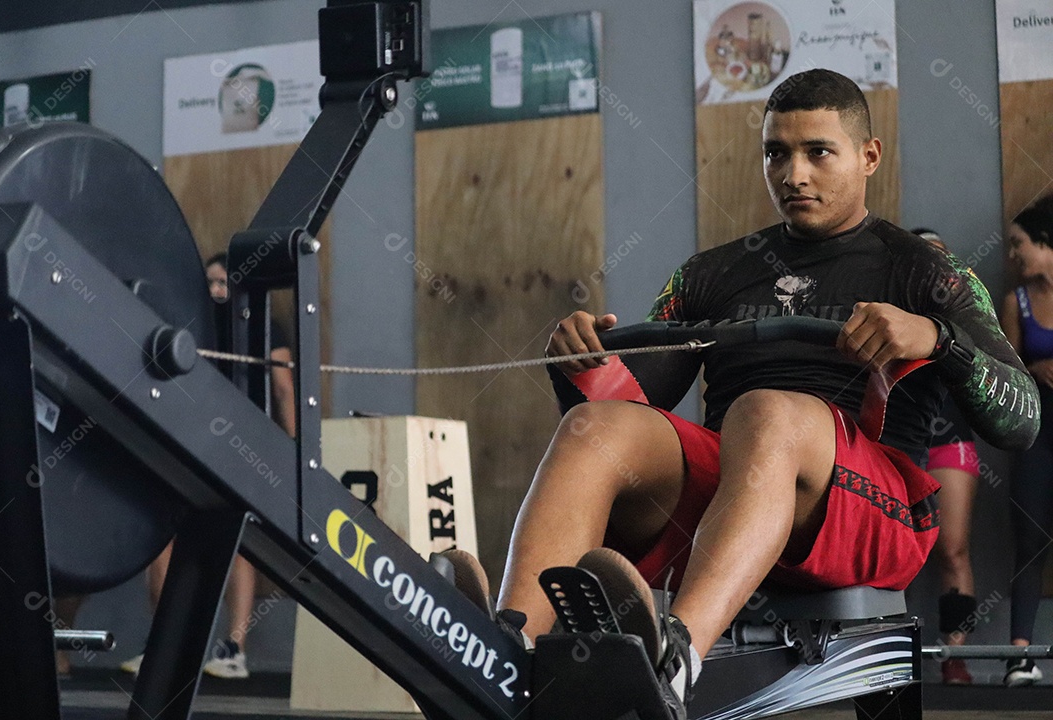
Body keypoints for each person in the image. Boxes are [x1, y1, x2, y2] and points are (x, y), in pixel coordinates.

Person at [441, 69, 1038, 716]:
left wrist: (939, 339)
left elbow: (1022, 420)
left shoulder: (927, 272)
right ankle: (505, 655)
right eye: (776, 153)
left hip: (872, 515)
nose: (794, 174)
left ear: (869, 156)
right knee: (595, 427)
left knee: (765, 410)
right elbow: (631, 409)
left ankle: (676, 662)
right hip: (737, 503)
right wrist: (581, 365)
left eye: (818, 152)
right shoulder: (710, 274)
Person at [120, 253, 296, 679]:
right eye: (210, 283)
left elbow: (284, 388)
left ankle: (233, 649)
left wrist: (295, 450)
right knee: (163, 536)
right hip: (184, 440)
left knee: (237, 540)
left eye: (223, 283)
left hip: (240, 444)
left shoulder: (265, 326)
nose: (216, 290)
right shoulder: (185, 322)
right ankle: (164, 646)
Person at [912, 228, 982, 685]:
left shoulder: (968, 314)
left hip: (951, 438)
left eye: (940, 256)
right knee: (886, 550)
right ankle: (882, 661)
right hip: (897, 440)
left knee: (953, 550)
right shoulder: (887, 308)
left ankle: (954, 657)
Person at [999, 196, 1053, 687]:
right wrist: (1035, 368)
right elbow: (1009, 373)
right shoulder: (1014, 302)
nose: (1013, 254)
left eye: (1019, 244)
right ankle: (1020, 658)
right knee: (1030, 539)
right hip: (1038, 438)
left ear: (1046, 243)